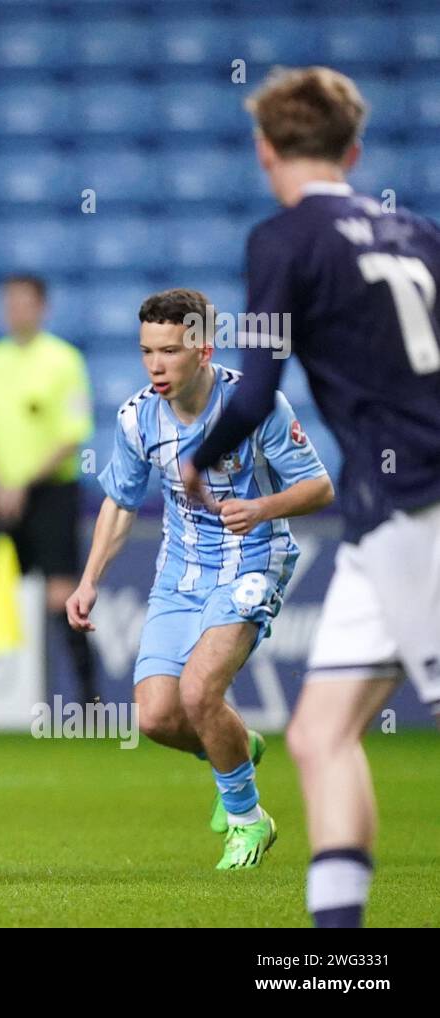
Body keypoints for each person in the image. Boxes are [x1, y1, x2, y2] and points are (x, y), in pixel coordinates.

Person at [184, 67, 440, 926]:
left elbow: (253, 395)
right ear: (354, 148)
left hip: (420, 511)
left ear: (265, 150)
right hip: (382, 524)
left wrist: (198, 457)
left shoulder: (283, 242)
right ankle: (338, 951)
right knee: (317, 733)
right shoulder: (418, 231)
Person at [67, 288, 333, 869]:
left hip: (254, 564)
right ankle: (235, 743)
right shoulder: (138, 417)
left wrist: (262, 508)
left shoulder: (256, 407)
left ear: (204, 350)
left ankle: (246, 820)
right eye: (146, 352)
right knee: (158, 717)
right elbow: (120, 503)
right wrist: (88, 581)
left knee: (198, 691)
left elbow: (320, 488)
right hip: (180, 575)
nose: (156, 365)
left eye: (169, 351)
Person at [0, 274, 97, 722]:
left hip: (52, 493)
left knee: (61, 596)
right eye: (9, 303)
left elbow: (71, 435)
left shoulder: (64, 361)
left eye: (24, 302)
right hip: (3, 495)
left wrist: (23, 484)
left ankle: (90, 701)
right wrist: (1, 483)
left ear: (42, 307)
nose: (15, 310)